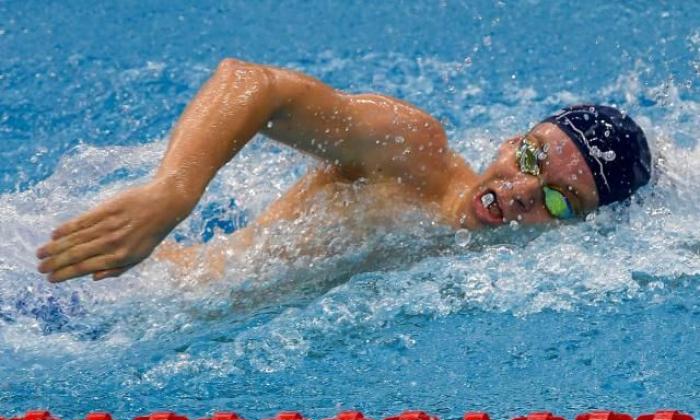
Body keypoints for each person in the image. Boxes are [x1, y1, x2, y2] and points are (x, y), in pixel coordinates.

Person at [36, 58, 652, 283]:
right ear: (510, 140)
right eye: (530, 159)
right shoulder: (414, 153)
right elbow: (252, 84)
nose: (522, 194)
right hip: (97, 277)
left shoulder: (501, 274)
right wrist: (172, 193)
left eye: (562, 201)